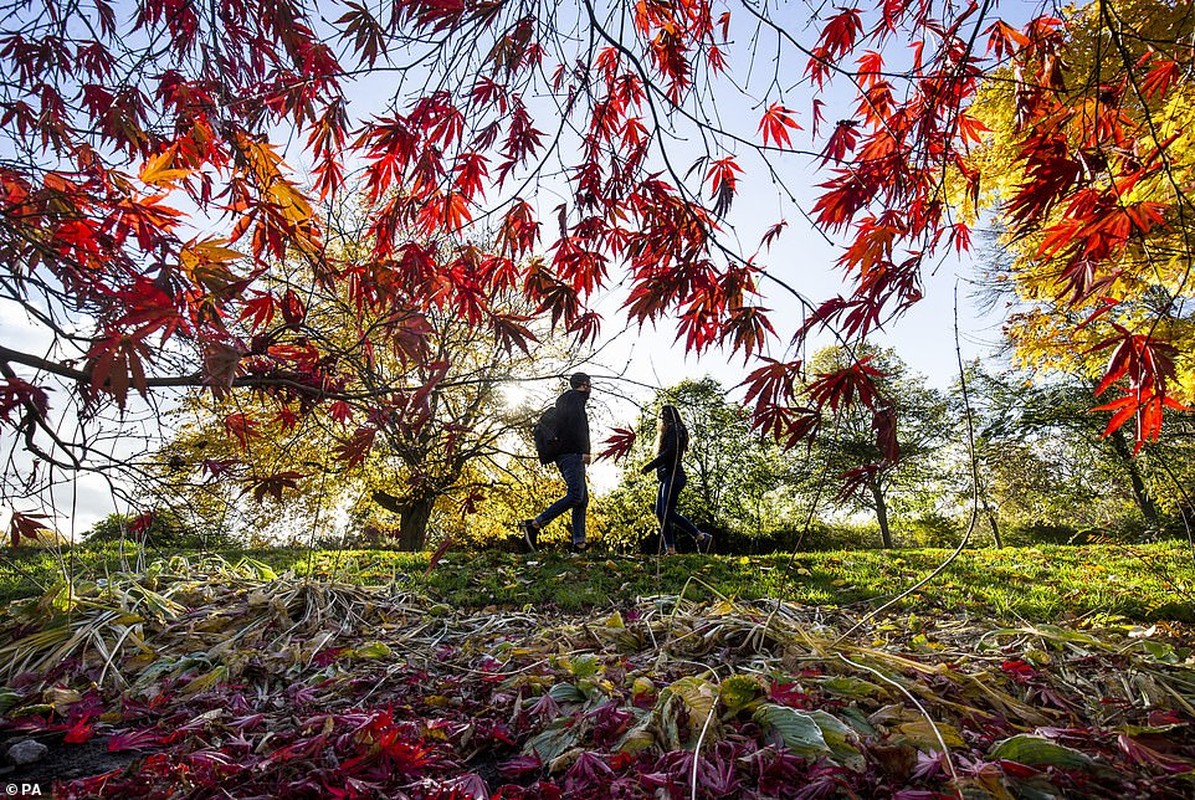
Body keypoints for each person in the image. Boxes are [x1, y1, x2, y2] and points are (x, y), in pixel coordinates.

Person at [520, 372, 592, 553]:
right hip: (571, 454)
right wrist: (585, 451)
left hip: (566, 454)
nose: (590, 389)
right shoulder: (575, 399)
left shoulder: (566, 401)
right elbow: (579, 427)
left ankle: (579, 543)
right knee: (576, 495)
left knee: (582, 499)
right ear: (584, 384)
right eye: (589, 385)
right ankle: (535, 524)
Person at [641, 404, 712, 555]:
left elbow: (670, 452)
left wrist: (650, 466)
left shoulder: (675, 429)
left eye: (661, 416)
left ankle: (700, 536)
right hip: (667, 477)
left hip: (674, 475)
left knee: (667, 511)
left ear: (666, 416)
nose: (660, 420)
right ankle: (671, 549)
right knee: (661, 512)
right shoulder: (675, 430)